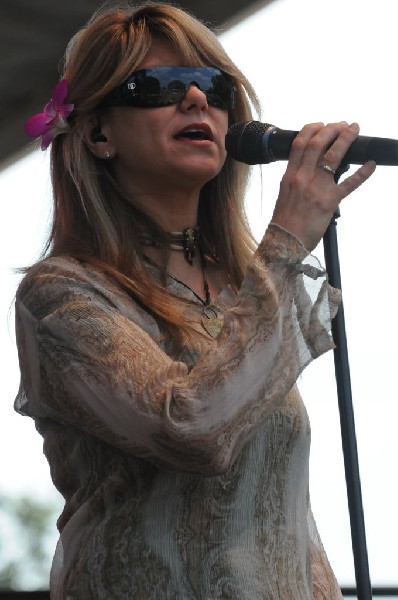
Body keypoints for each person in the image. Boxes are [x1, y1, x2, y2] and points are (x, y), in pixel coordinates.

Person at [14, 2, 376, 598]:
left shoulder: (245, 292)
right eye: (158, 86)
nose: (196, 101)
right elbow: (193, 430)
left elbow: (283, 525)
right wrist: (285, 243)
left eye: (213, 86)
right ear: (98, 133)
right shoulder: (62, 295)